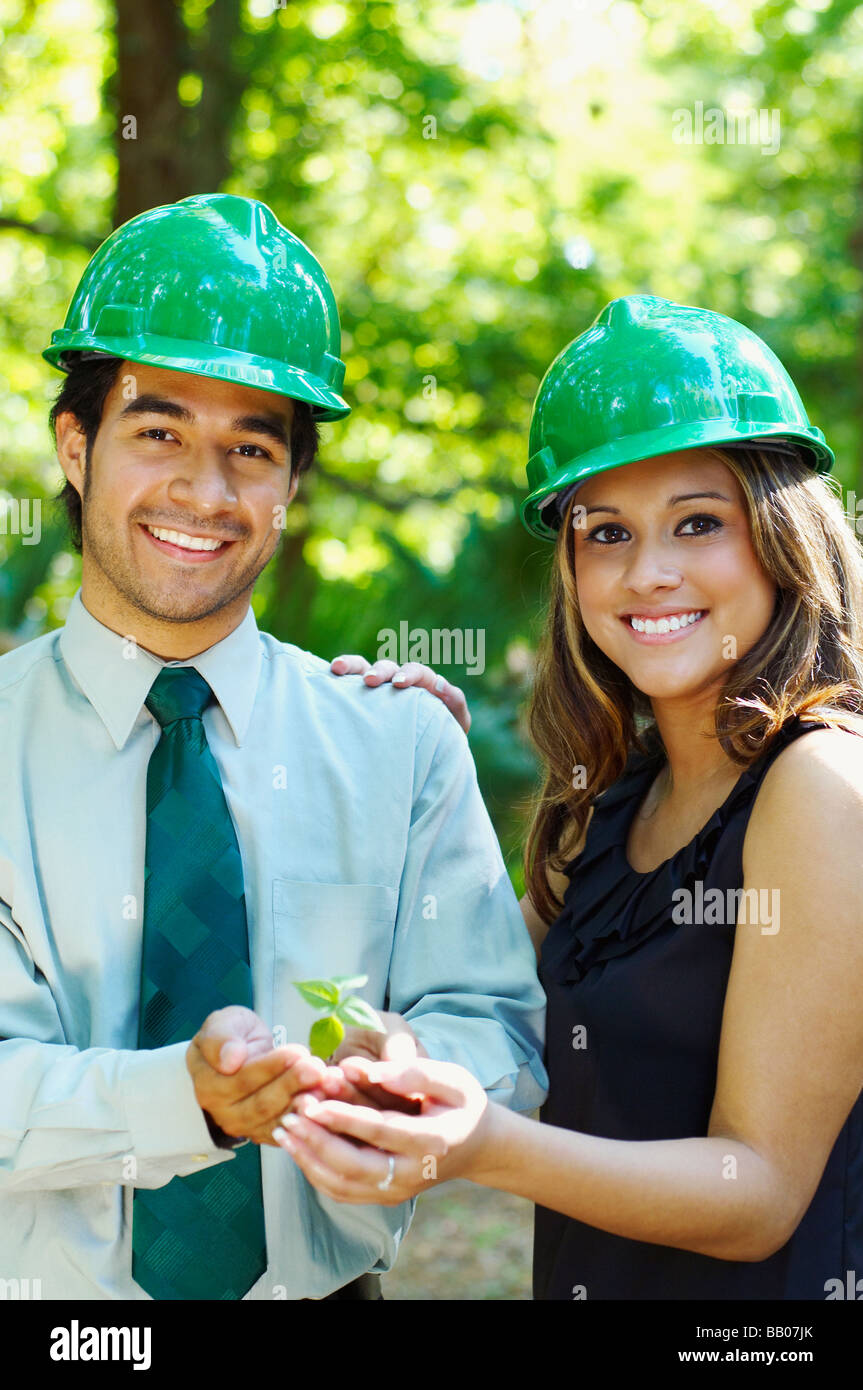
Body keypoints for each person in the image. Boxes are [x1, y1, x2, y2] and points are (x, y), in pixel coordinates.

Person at [0, 192, 547, 1301]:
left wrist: (415, 1080)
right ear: (75, 444)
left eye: (251, 449)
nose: (205, 492)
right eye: (159, 434)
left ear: (292, 481)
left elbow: (495, 1024)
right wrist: (186, 1101)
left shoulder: (398, 742)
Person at [282, 294, 863, 1300]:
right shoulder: (614, 799)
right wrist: (419, 786)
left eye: (696, 522)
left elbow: (758, 1188)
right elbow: (475, 999)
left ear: (780, 535)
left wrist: (481, 1146)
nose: (648, 572)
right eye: (605, 533)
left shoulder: (819, 787)